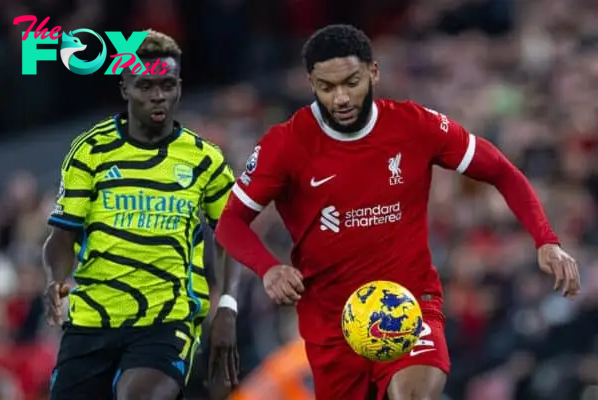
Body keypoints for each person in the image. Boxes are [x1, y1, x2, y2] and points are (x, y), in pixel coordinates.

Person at [214, 24, 582, 400]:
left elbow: (501, 170)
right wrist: (268, 268)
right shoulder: (285, 145)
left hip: (408, 302)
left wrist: (546, 241)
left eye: (351, 82)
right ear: (311, 83)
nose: (340, 97)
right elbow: (229, 223)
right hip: (332, 322)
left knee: (413, 394)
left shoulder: (414, 125)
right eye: (327, 87)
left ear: (373, 72)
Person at [43, 29, 240, 400]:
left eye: (167, 84)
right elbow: (62, 235)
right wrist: (56, 279)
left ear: (179, 86)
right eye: (146, 86)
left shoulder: (204, 159)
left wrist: (227, 306)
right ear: (125, 88)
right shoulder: (91, 151)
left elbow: (234, 234)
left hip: (167, 319)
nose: (158, 95)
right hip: (93, 317)